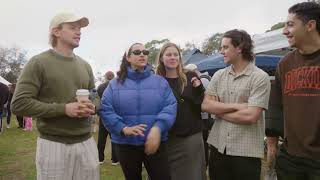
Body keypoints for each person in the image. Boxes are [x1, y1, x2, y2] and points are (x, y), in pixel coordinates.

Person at [11, 12, 100, 180]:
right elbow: (19, 104)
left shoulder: (85, 65)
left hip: (86, 143)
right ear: (56, 32)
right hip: (53, 145)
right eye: (73, 27)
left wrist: (92, 106)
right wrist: (64, 109)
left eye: (80, 28)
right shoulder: (38, 63)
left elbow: (94, 95)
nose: (79, 32)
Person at [100, 43, 177, 180]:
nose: (142, 54)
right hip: (125, 144)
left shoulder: (160, 82)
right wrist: (123, 128)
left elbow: (170, 106)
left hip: (155, 143)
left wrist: (158, 128)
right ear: (128, 57)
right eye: (137, 52)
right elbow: (106, 110)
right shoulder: (114, 85)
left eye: (145, 52)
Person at [202, 29, 271, 180]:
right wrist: (239, 106)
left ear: (239, 47)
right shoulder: (219, 75)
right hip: (218, 147)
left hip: (246, 152)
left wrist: (218, 110)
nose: (221, 51)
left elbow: (251, 116)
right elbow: (206, 105)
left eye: (225, 47)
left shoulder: (260, 77)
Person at [266, 2, 320, 180]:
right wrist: (273, 146)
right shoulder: (285, 63)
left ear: (310, 25)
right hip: (290, 158)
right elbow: (276, 106)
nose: (284, 30)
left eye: (290, 24)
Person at [156, 43, 206, 180]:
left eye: (175, 54)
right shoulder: (156, 81)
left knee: (192, 175)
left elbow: (200, 103)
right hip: (167, 138)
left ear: (180, 57)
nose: (173, 57)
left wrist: (198, 89)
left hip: (190, 136)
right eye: (168, 54)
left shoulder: (190, 76)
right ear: (161, 58)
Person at [97, 70, 119, 165]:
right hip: (114, 116)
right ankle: (114, 160)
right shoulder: (117, 86)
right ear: (113, 77)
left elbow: (97, 101)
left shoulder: (100, 87)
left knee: (101, 138)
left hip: (103, 115)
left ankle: (100, 159)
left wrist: (99, 113)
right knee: (114, 138)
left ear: (106, 77)